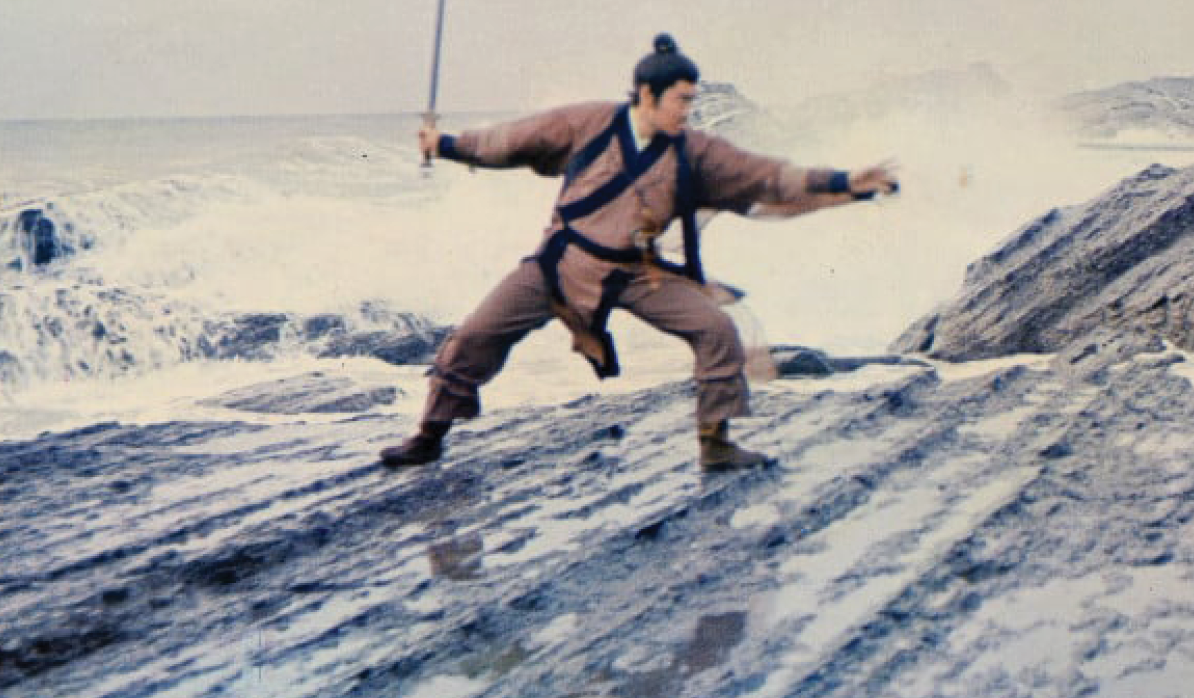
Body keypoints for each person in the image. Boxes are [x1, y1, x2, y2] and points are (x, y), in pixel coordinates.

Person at [381, 34, 899, 472]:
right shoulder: (588, 123)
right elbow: (509, 141)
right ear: (647, 95)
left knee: (716, 328)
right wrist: (445, 145)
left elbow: (769, 177)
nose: (687, 111)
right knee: (477, 335)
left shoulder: (696, 151)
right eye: (681, 101)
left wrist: (846, 182)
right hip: (561, 264)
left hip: (637, 274)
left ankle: (716, 443)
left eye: (692, 102)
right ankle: (429, 436)